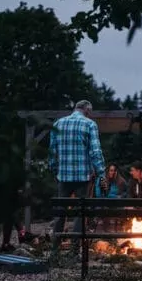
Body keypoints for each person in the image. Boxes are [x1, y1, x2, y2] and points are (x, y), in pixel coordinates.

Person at [49, 100, 106, 256]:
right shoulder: (89, 124)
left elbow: (52, 151)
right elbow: (95, 151)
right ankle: (74, 251)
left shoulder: (58, 123)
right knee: (80, 213)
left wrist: (54, 169)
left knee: (61, 212)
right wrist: (102, 173)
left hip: (63, 176)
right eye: (90, 112)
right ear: (87, 110)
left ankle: (55, 251)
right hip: (82, 177)